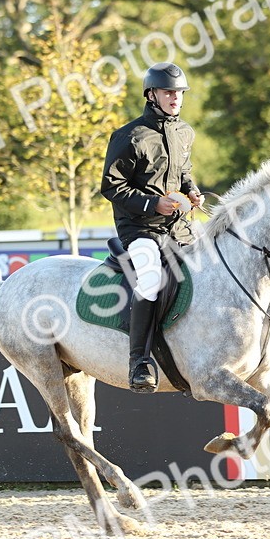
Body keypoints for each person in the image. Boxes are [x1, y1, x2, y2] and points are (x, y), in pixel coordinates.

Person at [100, 62, 203, 393]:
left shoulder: (184, 132)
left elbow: (183, 172)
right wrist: (151, 204)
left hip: (178, 226)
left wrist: (192, 191)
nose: (175, 98)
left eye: (179, 93)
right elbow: (111, 187)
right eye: (168, 92)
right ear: (151, 95)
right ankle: (139, 362)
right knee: (150, 279)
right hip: (139, 228)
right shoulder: (129, 136)